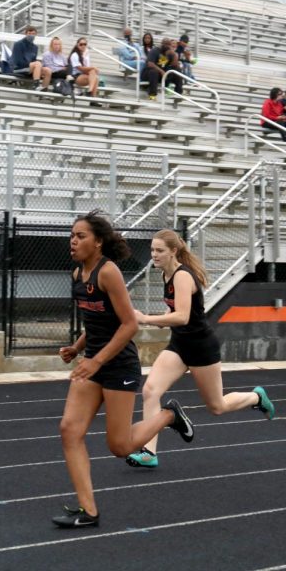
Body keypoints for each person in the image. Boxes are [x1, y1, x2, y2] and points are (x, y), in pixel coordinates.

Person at [53, 212, 193, 527]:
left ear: (98, 242)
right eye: (72, 235)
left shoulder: (108, 272)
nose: (73, 241)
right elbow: (98, 320)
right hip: (93, 362)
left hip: (118, 365)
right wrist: (78, 348)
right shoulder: (78, 273)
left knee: (119, 446)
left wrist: (96, 360)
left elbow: (129, 324)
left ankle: (169, 415)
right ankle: (88, 511)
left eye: (81, 236)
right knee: (69, 430)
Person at [125, 229, 275, 469]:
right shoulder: (166, 274)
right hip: (179, 345)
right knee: (150, 391)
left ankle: (257, 397)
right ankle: (149, 452)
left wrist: (146, 318)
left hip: (201, 348)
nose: (154, 254)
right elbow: (178, 309)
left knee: (217, 407)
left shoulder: (182, 276)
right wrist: (165, 316)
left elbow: (183, 316)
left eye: (160, 250)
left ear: (174, 251)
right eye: (152, 250)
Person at [11, 26, 51, 91]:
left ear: (35, 35)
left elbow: (33, 60)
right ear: (26, 34)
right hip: (19, 68)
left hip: (30, 68)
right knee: (37, 64)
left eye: (33, 34)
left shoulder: (35, 47)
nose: (31, 35)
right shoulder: (18, 44)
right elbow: (17, 61)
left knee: (47, 70)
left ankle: (44, 89)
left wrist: (35, 66)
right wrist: (32, 64)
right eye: (29, 33)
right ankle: (36, 86)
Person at [68, 38, 101, 105]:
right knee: (93, 71)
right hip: (76, 77)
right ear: (77, 45)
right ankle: (91, 96)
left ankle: (91, 96)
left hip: (84, 76)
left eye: (85, 44)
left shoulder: (86, 55)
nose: (83, 46)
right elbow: (81, 69)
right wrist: (93, 68)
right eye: (81, 44)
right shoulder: (74, 55)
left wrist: (85, 58)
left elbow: (87, 68)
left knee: (96, 77)